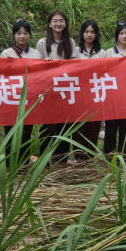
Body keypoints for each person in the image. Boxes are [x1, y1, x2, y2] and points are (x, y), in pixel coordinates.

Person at [36, 10, 79, 160]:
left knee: (65, 124)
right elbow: (37, 66)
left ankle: (61, 159)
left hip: (65, 88)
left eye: (61, 21)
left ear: (65, 24)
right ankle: (44, 159)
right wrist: (45, 64)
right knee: (48, 125)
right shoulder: (42, 43)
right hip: (48, 90)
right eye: (55, 21)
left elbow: (74, 64)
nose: (58, 24)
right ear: (49, 24)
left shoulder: (70, 42)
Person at [0, 19, 41, 164]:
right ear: (13, 35)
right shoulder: (6, 53)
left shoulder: (36, 53)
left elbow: (40, 74)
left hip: (29, 98)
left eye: (25, 33)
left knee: (26, 131)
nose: (22, 36)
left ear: (30, 35)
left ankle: (23, 163)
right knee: (10, 131)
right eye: (18, 33)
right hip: (11, 98)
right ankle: (9, 164)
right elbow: (0, 75)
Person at [104, 21, 126, 155]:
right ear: (117, 36)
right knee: (111, 128)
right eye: (121, 33)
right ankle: (109, 155)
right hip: (112, 96)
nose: (124, 36)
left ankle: (125, 155)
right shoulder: (108, 52)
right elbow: (103, 71)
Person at [74, 19, 105, 159]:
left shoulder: (102, 53)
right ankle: (78, 155)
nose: (89, 34)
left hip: (96, 93)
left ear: (96, 34)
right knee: (79, 125)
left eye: (92, 32)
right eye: (86, 31)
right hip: (78, 94)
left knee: (94, 125)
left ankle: (90, 156)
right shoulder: (75, 51)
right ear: (82, 33)